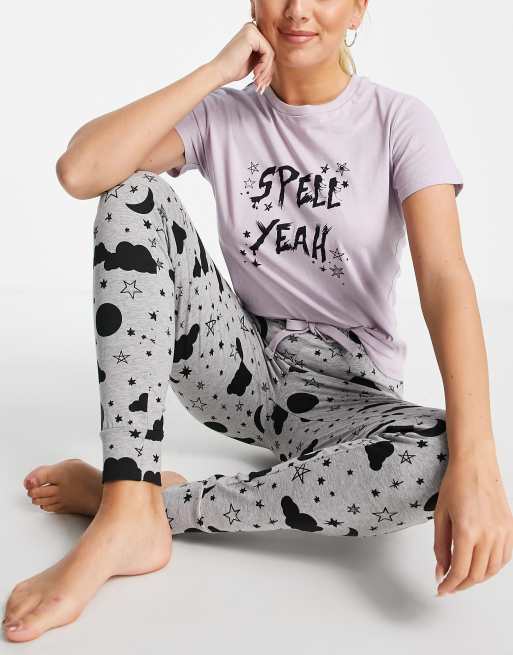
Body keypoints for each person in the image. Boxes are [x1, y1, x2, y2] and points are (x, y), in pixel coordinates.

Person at [4, 0, 512, 643]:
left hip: (351, 398)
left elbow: (445, 280)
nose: (298, 10)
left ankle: (155, 507)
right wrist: (217, 71)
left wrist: (479, 462)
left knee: (439, 456)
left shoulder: (399, 121)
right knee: (133, 193)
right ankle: (128, 499)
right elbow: (81, 170)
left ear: (358, 8)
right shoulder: (225, 115)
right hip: (242, 371)